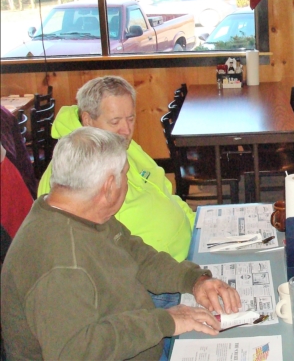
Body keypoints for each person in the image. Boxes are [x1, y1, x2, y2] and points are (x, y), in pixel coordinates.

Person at [1, 127, 242, 361]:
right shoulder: (60, 264)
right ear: (108, 187)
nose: (127, 181)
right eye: (125, 174)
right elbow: (77, 352)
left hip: (145, 339)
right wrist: (164, 321)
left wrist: (193, 280)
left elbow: (137, 255)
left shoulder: (82, 210)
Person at [37, 76, 194, 310]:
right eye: (115, 121)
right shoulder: (71, 174)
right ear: (88, 120)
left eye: (131, 118)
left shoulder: (120, 146)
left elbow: (165, 192)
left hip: (181, 258)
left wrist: (196, 225)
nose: (126, 130)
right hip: (149, 286)